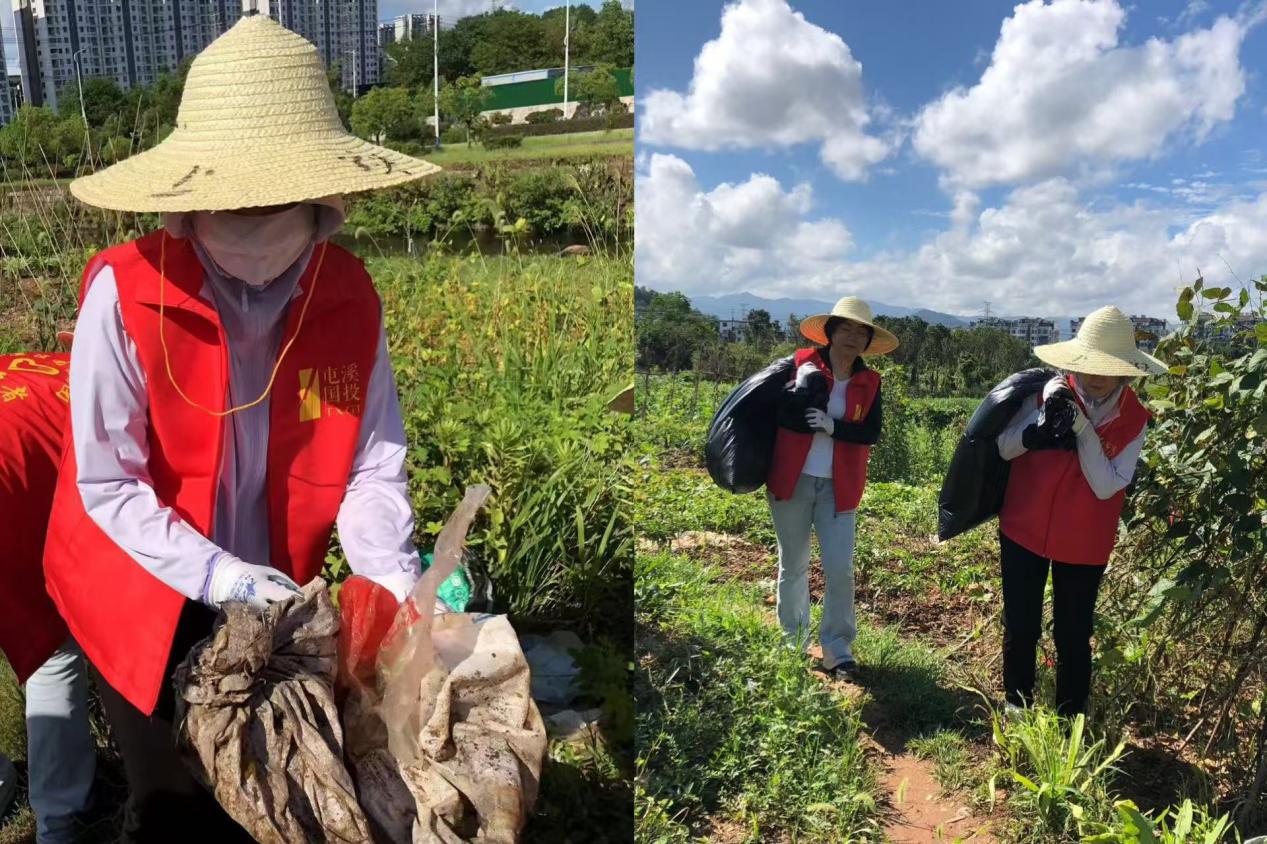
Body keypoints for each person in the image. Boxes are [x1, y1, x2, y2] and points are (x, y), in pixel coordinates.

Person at [41, 16, 441, 841]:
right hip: (136, 566)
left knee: (261, 770)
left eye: (274, 207)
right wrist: (218, 575)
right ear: (188, 207)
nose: (253, 229)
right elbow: (108, 482)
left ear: (323, 206)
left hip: (267, 566)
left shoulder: (346, 295)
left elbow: (370, 464)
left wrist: (391, 576)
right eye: (231, 208)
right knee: (168, 781)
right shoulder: (125, 293)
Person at [995, 305, 1166, 717]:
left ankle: (1070, 718)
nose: (1096, 376)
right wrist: (1036, 430)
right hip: (1023, 525)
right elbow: (1004, 446)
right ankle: (1016, 705)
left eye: (1108, 367)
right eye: (1090, 364)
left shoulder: (1134, 420)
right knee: (1021, 622)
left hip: (1084, 539)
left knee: (1073, 632)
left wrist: (1082, 429)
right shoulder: (1045, 393)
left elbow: (1107, 484)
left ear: (1126, 372)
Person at [765, 296, 898, 680]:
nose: (852, 336)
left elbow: (871, 432)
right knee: (793, 564)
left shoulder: (870, 382)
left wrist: (833, 426)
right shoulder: (799, 365)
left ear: (868, 341)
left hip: (840, 487)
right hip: (792, 479)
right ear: (830, 332)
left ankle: (837, 648)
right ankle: (793, 640)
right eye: (845, 328)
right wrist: (799, 395)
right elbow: (775, 413)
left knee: (840, 569)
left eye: (861, 331)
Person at [0, 349, 96, 844]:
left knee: (51, 644)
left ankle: (61, 819)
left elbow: (50, 650)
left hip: (69, 443)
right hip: (34, 433)